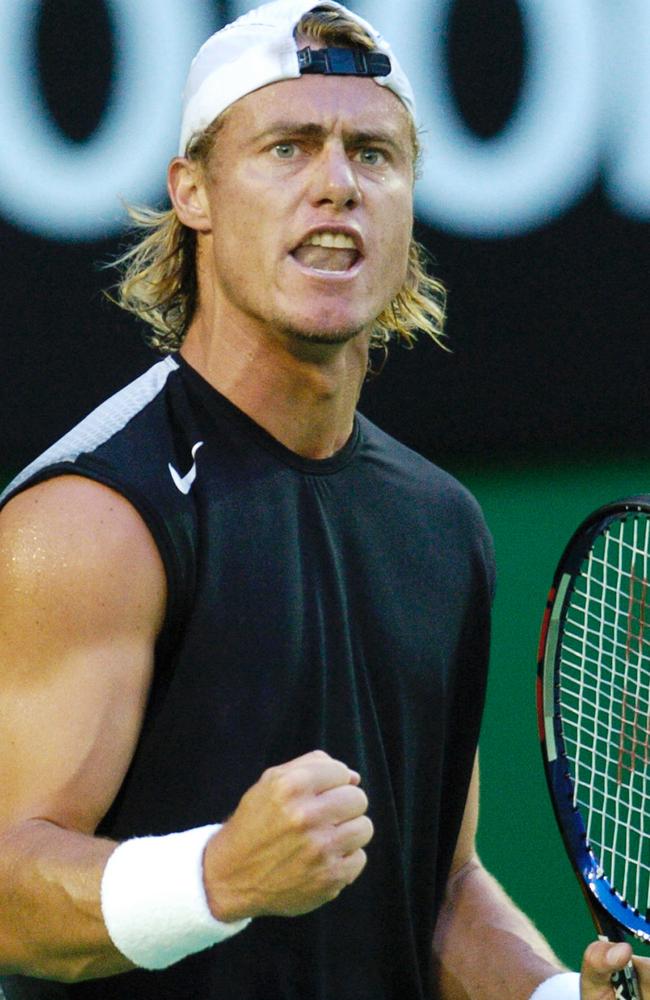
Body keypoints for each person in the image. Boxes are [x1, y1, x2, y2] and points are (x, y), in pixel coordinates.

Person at [0, 2, 646, 997]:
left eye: (373, 155)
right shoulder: (91, 518)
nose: (337, 184)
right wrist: (217, 877)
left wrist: (555, 994)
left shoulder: (439, 526)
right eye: (288, 148)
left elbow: (435, 886)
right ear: (193, 193)